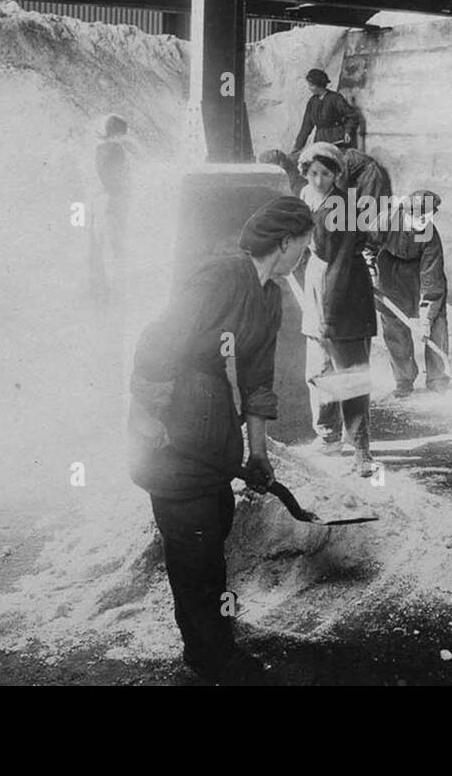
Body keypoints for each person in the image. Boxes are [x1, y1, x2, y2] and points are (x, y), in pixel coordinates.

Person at [128, 196, 314, 685]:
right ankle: (211, 655)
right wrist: (150, 419)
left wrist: (257, 450)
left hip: (209, 429)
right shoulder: (221, 276)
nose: (306, 255)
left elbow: (257, 379)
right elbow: (158, 340)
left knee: (214, 528)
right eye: (306, 245)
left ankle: (211, 637)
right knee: (193, 546)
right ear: (286, 242)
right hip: (173, 421)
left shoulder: (270, 296)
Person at [297, 142, 378, 476]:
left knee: (351, 374)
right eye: (313, 173)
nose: (318, 180)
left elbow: (342, 259)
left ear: (336, 174)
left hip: (344, 288)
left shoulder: (344, 206)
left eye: (325, 173)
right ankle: (328, 436)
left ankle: (362, 452)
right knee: (319, 366)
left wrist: (330, 314)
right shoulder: (306, 195)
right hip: (317, 278)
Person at [375, 189, 450, 397]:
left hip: (420, 274)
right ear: (405, 212)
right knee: (394, 326)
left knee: (436, 323)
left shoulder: (430, 235)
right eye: (416, 216)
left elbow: (431, 278)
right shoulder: (387, 220)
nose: (421, 221)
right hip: (390, 272)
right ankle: (403, 380)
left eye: (426, 216)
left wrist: (426, 318)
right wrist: (370, 269)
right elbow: (367, 243)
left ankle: (437, 378)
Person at [88, 113, 133, 299]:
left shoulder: (98, 147)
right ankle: (114, 289)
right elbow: (109, 177)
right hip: (111, 202)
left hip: (101, 202)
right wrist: (118, 192)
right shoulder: (113, 148)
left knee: (99, 244)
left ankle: (100, 288)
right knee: (114, 245)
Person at [290, 68, 360, 152]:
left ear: (319, 85)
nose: (309, 88)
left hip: (337, 140)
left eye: (311, 85)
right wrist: (297, 147)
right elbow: (306, 126)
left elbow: (352, 116)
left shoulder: (335, 98)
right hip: (320, 140)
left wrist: (348, 131)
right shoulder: (312, 102)